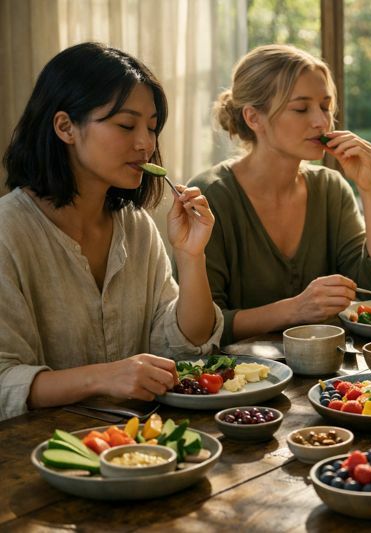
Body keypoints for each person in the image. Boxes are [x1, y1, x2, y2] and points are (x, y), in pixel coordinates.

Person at [0, 42, 223, 421]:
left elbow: (188, 349)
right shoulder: (9, 232)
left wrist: (191, 256)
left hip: (137, 445)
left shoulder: (136, 227)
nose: (146, 144)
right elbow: (4, 381)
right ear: (65, 127)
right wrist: (104, 377)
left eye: (152, 128)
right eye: (126, 125)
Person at [189, 44, 371, 345]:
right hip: (235, 382)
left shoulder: (330, 189)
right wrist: (295, 310)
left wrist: (370, 189)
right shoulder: (210, 195)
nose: (321, 121)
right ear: (254, 118)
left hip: (327, 379)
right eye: (301, 108)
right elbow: (200, 327)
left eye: (325, 106)